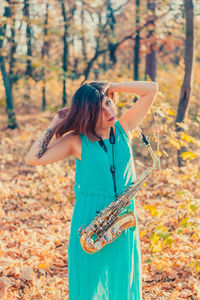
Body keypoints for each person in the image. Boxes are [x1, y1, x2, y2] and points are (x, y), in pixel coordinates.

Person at [25, 80, 158, 300]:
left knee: (122, 279)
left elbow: (151, 89)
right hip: (89, 218)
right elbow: (33, 158)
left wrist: (111, 87)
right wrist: (54, 124)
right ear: (87, 114)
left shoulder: (124, 127)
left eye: (108, 104)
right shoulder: (76, 141)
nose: (108, 111)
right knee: (89, 281)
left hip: (123, 216)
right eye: (99, 110)